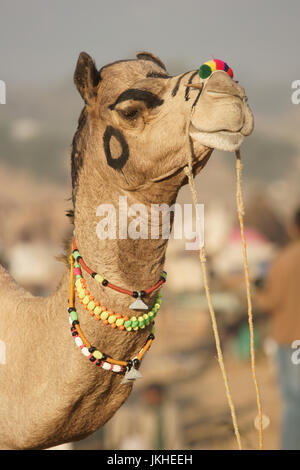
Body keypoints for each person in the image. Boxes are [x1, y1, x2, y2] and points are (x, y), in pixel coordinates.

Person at [255, 207, 300, 450]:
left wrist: (257, 291)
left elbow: (270, 302)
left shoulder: (284, 260)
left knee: (294, 400)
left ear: (293, 228)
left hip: (292, 341)